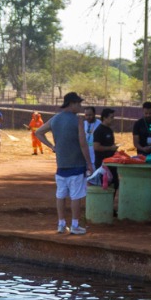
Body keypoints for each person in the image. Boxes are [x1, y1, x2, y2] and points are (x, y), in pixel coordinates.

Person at [34, 91, 94, 235]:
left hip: (61, 165)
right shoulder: (78, 120)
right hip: (77, 164)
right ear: (72, 103)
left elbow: (39, 132)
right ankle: (75, 224)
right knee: (76, 196)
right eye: (78, 103)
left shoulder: (55, 119)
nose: (80, 106)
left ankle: (61, 224)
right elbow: (83, 143)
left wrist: (52, 147)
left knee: (60, 195)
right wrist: (89, 163)